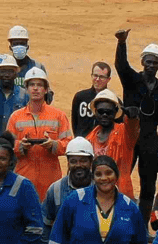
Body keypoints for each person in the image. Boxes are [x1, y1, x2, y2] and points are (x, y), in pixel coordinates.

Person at [114, 29, 158, 221]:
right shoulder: (131, 80)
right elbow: (121, 65)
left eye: (155, 62)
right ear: (143, 62)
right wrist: (121, 43)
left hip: (150, 140)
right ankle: (117, 221)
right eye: (148, 61)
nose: (151, 65)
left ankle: (143, 226)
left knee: (148, 185)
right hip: (128, 138)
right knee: (120, 179)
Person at [7, 66, 66, 200]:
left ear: (46, 89)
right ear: (26, 89)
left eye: (39, 85)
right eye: (32, 85)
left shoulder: (59, 116)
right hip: (23, 178)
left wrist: (53, 145)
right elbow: (7, 146)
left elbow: (68, 144)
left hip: (50, 180)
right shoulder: (16, 117)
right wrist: (20, 146)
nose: (35, 88)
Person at [80, 89, 138, 200]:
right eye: (101, 111)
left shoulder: (124, 134)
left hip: (120, 196)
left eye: (109, 112)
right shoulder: (89, 139)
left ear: (116, 112)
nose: (105, 115)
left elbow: (132, 128)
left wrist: (132, 118)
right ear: (96, 112)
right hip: (95, 195)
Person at [69, 61, 115, 138]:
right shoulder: (80, 97)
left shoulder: (113, 100)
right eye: (95, 75)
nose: (97, 79)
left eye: (102, 77)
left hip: (103, 142)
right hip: (83, 141)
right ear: (91, 76)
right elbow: (75, 122)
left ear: (108, 79)